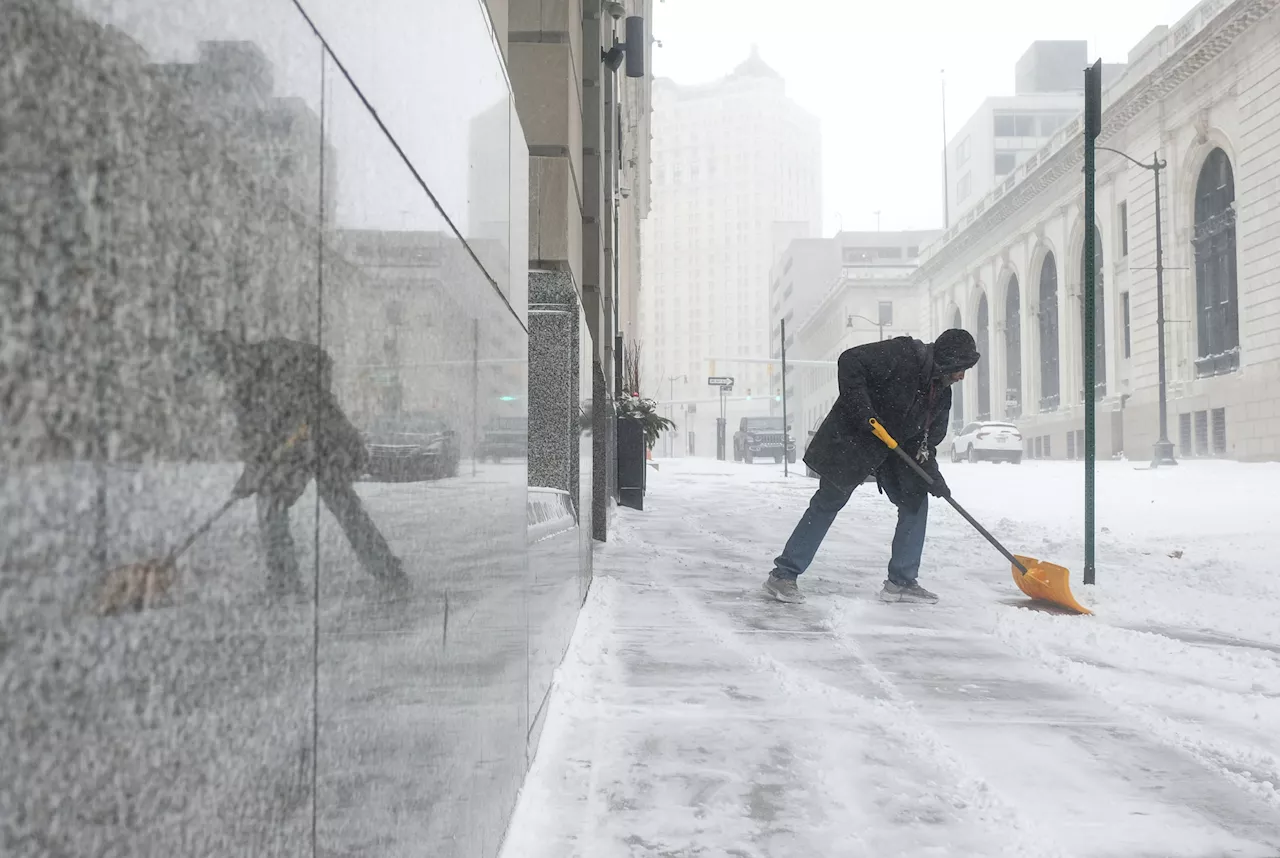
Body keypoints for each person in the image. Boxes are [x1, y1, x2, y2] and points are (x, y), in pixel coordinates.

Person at [763, 329, 981, 605]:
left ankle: (901, 581)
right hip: (854, 439)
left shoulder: (940, 394)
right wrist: (862, 410)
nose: (962, 375)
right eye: (961, 367)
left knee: (915, 501)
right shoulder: (902, 354)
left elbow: (926, 444)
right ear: (948, 358)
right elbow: (849, 360)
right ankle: (783, 575)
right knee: (828, 502)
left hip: (892, 450)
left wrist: (933, 478)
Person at [200, 330, 409, 598]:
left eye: (222, 369)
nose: (224, 377)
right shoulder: (248, 385)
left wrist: (305, 406)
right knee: (285, 502)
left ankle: (385, 574)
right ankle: (288, 580)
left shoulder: (271, 362)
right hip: (304, 446)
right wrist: (251, 476)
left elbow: (316, 371)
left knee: (333, 503)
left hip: (323, 438)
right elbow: (257, 445)